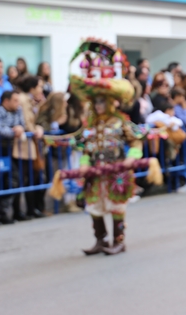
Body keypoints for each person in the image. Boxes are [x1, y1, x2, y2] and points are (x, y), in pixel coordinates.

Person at [71, 40, 143, 256]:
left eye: (103, 101)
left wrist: (132, 158)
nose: (99, 105)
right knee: (94, 207)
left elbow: (136, 141)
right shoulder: (90, 125)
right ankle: (100, 240)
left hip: (117, 172)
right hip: (95, 172)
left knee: (116, 205)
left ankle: (118, 240)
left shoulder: (122, 122)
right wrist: (84, 165)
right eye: (97, 102)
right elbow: (85, 148)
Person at [0, 90, 26, 226]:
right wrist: (13, 132)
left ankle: (4, 212)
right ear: (6, 101)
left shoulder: (18, 110)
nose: (18, 103)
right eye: (15, 100)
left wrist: (19, 128)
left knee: (13, 180)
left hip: (10, 151)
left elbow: (22, 125)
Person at [16, 76, 46, 219]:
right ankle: (23, 210)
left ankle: (32, 208)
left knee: (32, 177)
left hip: (30, 142)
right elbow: (27, 121)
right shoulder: (22, 99)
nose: (41, 89)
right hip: (23, 143)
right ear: (32, 87)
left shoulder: (31, 100)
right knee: (24, 177)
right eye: (39, 86)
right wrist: (34, 130)